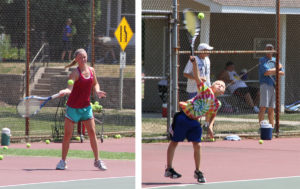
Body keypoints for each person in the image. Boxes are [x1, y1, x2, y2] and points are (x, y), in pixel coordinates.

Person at [165, 56, 226, 183]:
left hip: (195, 122)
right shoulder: (205, 91)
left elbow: (212, 114)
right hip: (183, 118)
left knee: (197, 145)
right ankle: (169, 168)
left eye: (222, 85)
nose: (220, 85)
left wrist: (209, 125)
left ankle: (198, 171)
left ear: (224, 91)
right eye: (218, 83)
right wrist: (194, 63)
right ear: (212, 86)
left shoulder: (217, 103)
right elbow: (197, 77)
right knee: (175, 142)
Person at [56, 48, 107, 170]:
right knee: (68, 135)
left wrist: (97, 91)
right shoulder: (75, 73)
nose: (83, 59)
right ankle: (63, 161)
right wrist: (65, 91)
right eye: (80, 57)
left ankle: (97, 160)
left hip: (86, 107)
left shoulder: (92, 71)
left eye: (84, 57)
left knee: (92, 133)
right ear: (76, 60)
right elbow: (70, 87)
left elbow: (95, 83)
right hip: (73, 108)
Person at [258, 44, 284, 127]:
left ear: (273, 50)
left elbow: (282, 72)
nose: (269, 50)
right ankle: (261, 127)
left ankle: (272, 127)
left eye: (271, 49)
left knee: (271, 108)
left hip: (273, 85)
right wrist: (277, 68)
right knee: (263, 107)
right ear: (265, 50)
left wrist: (273, 70)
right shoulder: (262, 60)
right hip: (265, 85)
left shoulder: (276, 60)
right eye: (267, 49)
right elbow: (266, 72)